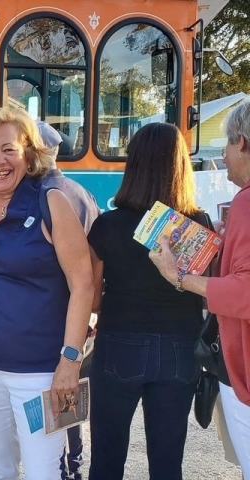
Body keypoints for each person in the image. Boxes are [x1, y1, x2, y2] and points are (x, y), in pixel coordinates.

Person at [0, 107, 93, 479]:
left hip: (40, 373)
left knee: (43, 472)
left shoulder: (52, 201)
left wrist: (70, 361)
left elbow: (83, 283)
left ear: (29, 155)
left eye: (8, 150)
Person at [88, 123, 205, 479]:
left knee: (106, 459)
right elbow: (205, 290)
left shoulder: (107, 225)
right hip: (180, 348)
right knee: (168, 462)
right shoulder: (198, 223)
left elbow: (92, 299)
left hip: (119, 342)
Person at [150, 102, 250, 476]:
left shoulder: (245, 202)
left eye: (226, 144)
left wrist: (179, 276)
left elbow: (245, 293)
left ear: (242, 142)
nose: (222, 155)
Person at [37, 120, 100, 480]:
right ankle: (74, 464)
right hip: (82, 318)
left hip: (56, 314)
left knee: (55, 393)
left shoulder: (41, 196)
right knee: (69, 394)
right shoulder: (82, 191)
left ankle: (63, 466)